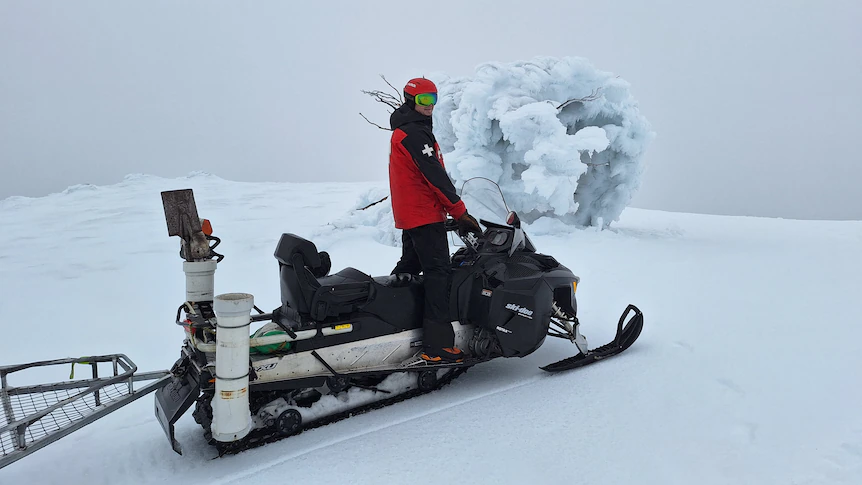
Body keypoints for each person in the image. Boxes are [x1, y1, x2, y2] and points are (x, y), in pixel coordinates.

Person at [389, 77, 481, 364]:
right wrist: (460, 212)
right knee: (439, 274)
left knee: (408, 269)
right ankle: (437, 346)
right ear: (410, 100)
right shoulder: (414, 133)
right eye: (424, 100)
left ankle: (391, 325)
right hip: (423, 214)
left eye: (434, 99)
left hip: (414, 213)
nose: (430, 105)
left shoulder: (408, 129)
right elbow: (435, 177)